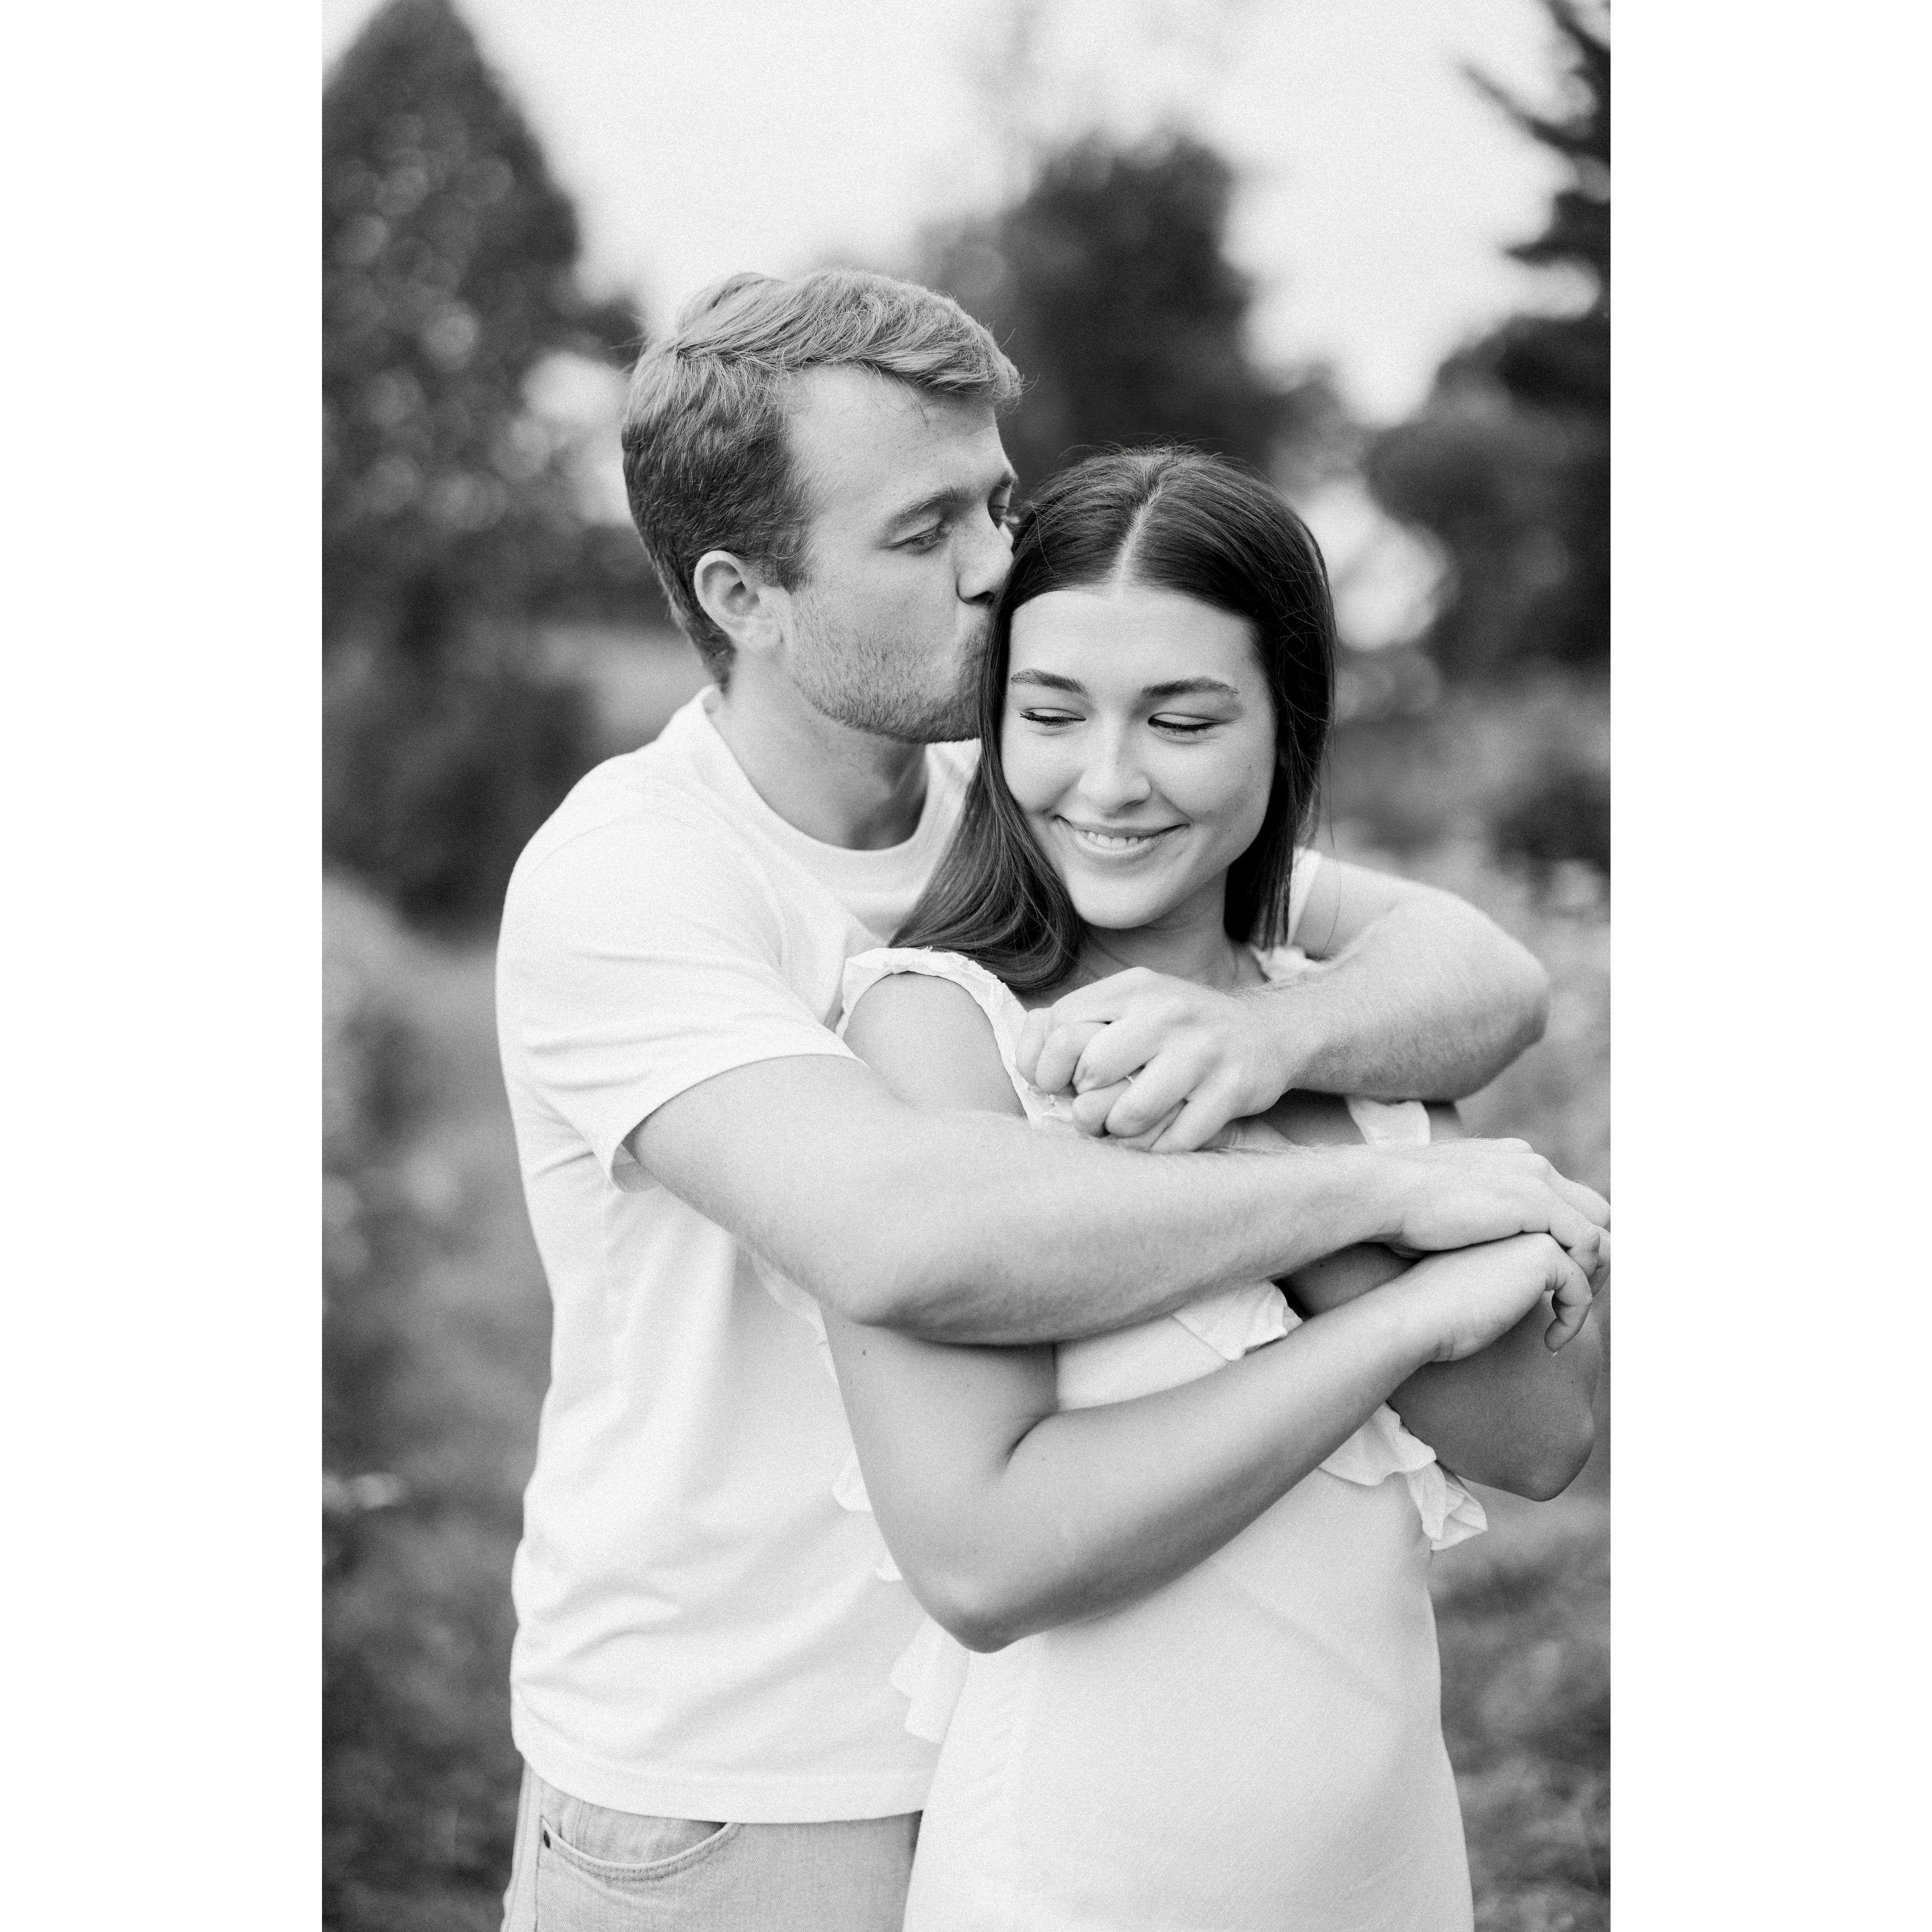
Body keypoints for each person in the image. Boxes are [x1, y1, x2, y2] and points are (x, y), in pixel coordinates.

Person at [493, 268, 1609, 1931]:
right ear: (744, 593)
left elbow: (1478, 976)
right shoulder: (635, 877)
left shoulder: (1036, 792)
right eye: (923, 529)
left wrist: (1270, 1046)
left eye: (997, 502)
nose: (997, 564)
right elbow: (902, 1235)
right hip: (749, 1774)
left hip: (1062, 1731)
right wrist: (1385, 1208)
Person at [802, 447, 1605, 1929]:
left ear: (1287, 726)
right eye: (1050, 714)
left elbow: (1539, 1437)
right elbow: (983, 1564)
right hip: (1083, 1878)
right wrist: (1397, 1296)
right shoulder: (942, 1028)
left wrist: (1271, 1126)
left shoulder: (1344, 1021)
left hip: (1383, 1867)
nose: (1108, 782)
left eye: (1181, 721)